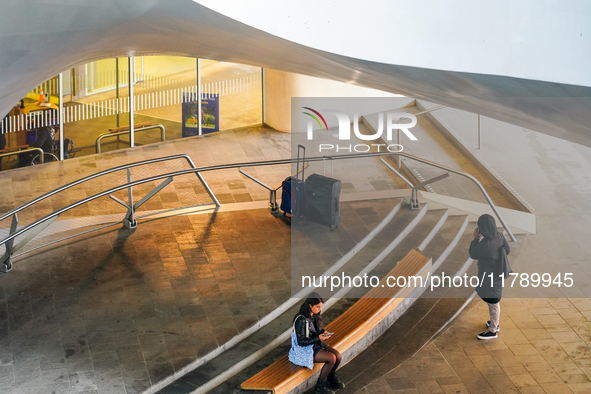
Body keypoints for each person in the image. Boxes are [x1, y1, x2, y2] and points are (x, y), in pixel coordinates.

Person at [469, 214, 511, 340]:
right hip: (497, 273)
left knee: (493, 302)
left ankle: (493, 329)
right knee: (493, 299)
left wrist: (475, 239)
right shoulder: (499, 236)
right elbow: (507, 250)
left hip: (489, 275)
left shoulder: (485, 244)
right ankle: (494, 323)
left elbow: (473, 253)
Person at [293, 293, 344, 394]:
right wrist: (318, 338)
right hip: (306, 348)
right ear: (310, 305)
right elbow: (301, 342)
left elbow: (316, 330)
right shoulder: (301, 320)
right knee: (331, 358)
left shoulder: (315, 315)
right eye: (317, 307)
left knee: (337, 355)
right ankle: (319, 387)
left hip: (316, 343)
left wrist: (323, 332)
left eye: (320, 307)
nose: (319, 309)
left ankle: (330, 377)